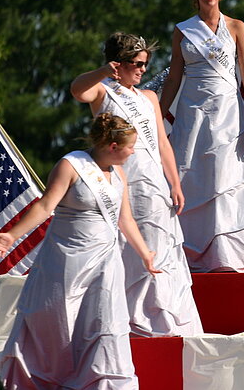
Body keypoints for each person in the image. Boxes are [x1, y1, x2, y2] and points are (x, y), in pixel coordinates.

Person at [0, 113, 159, 390]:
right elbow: (45, 207)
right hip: (66, 260)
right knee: (59, 324)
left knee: (104, 321)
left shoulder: (119, 175)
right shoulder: (71, 165)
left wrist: (145, 254)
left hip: (104, 260)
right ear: (113, 147)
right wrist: (11, 235)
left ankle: (101, 383)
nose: (133, 152)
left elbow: (124, 219)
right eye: (130, 147)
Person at [69, 32, 203, 337]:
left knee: (160, 249)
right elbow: (77, 90)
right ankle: (128, 320)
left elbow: (162, 144)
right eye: (137, 63)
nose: (143, 70)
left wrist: (175, 183)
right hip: (121, 181)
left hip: (153, 183)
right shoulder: (102, 92)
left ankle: (162, 320)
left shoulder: (149, 98)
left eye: (145, 63)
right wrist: (103, 72)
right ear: (120, 63)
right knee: (124, 249)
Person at [159, 0, 244, 272]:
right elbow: (173, 79)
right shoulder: (182, 32)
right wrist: (159, 114)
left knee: (226, 178)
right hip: (193, 114)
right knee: (192, 178)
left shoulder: (236, 27)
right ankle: (193, 254)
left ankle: (228, 256)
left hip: (229, 114)